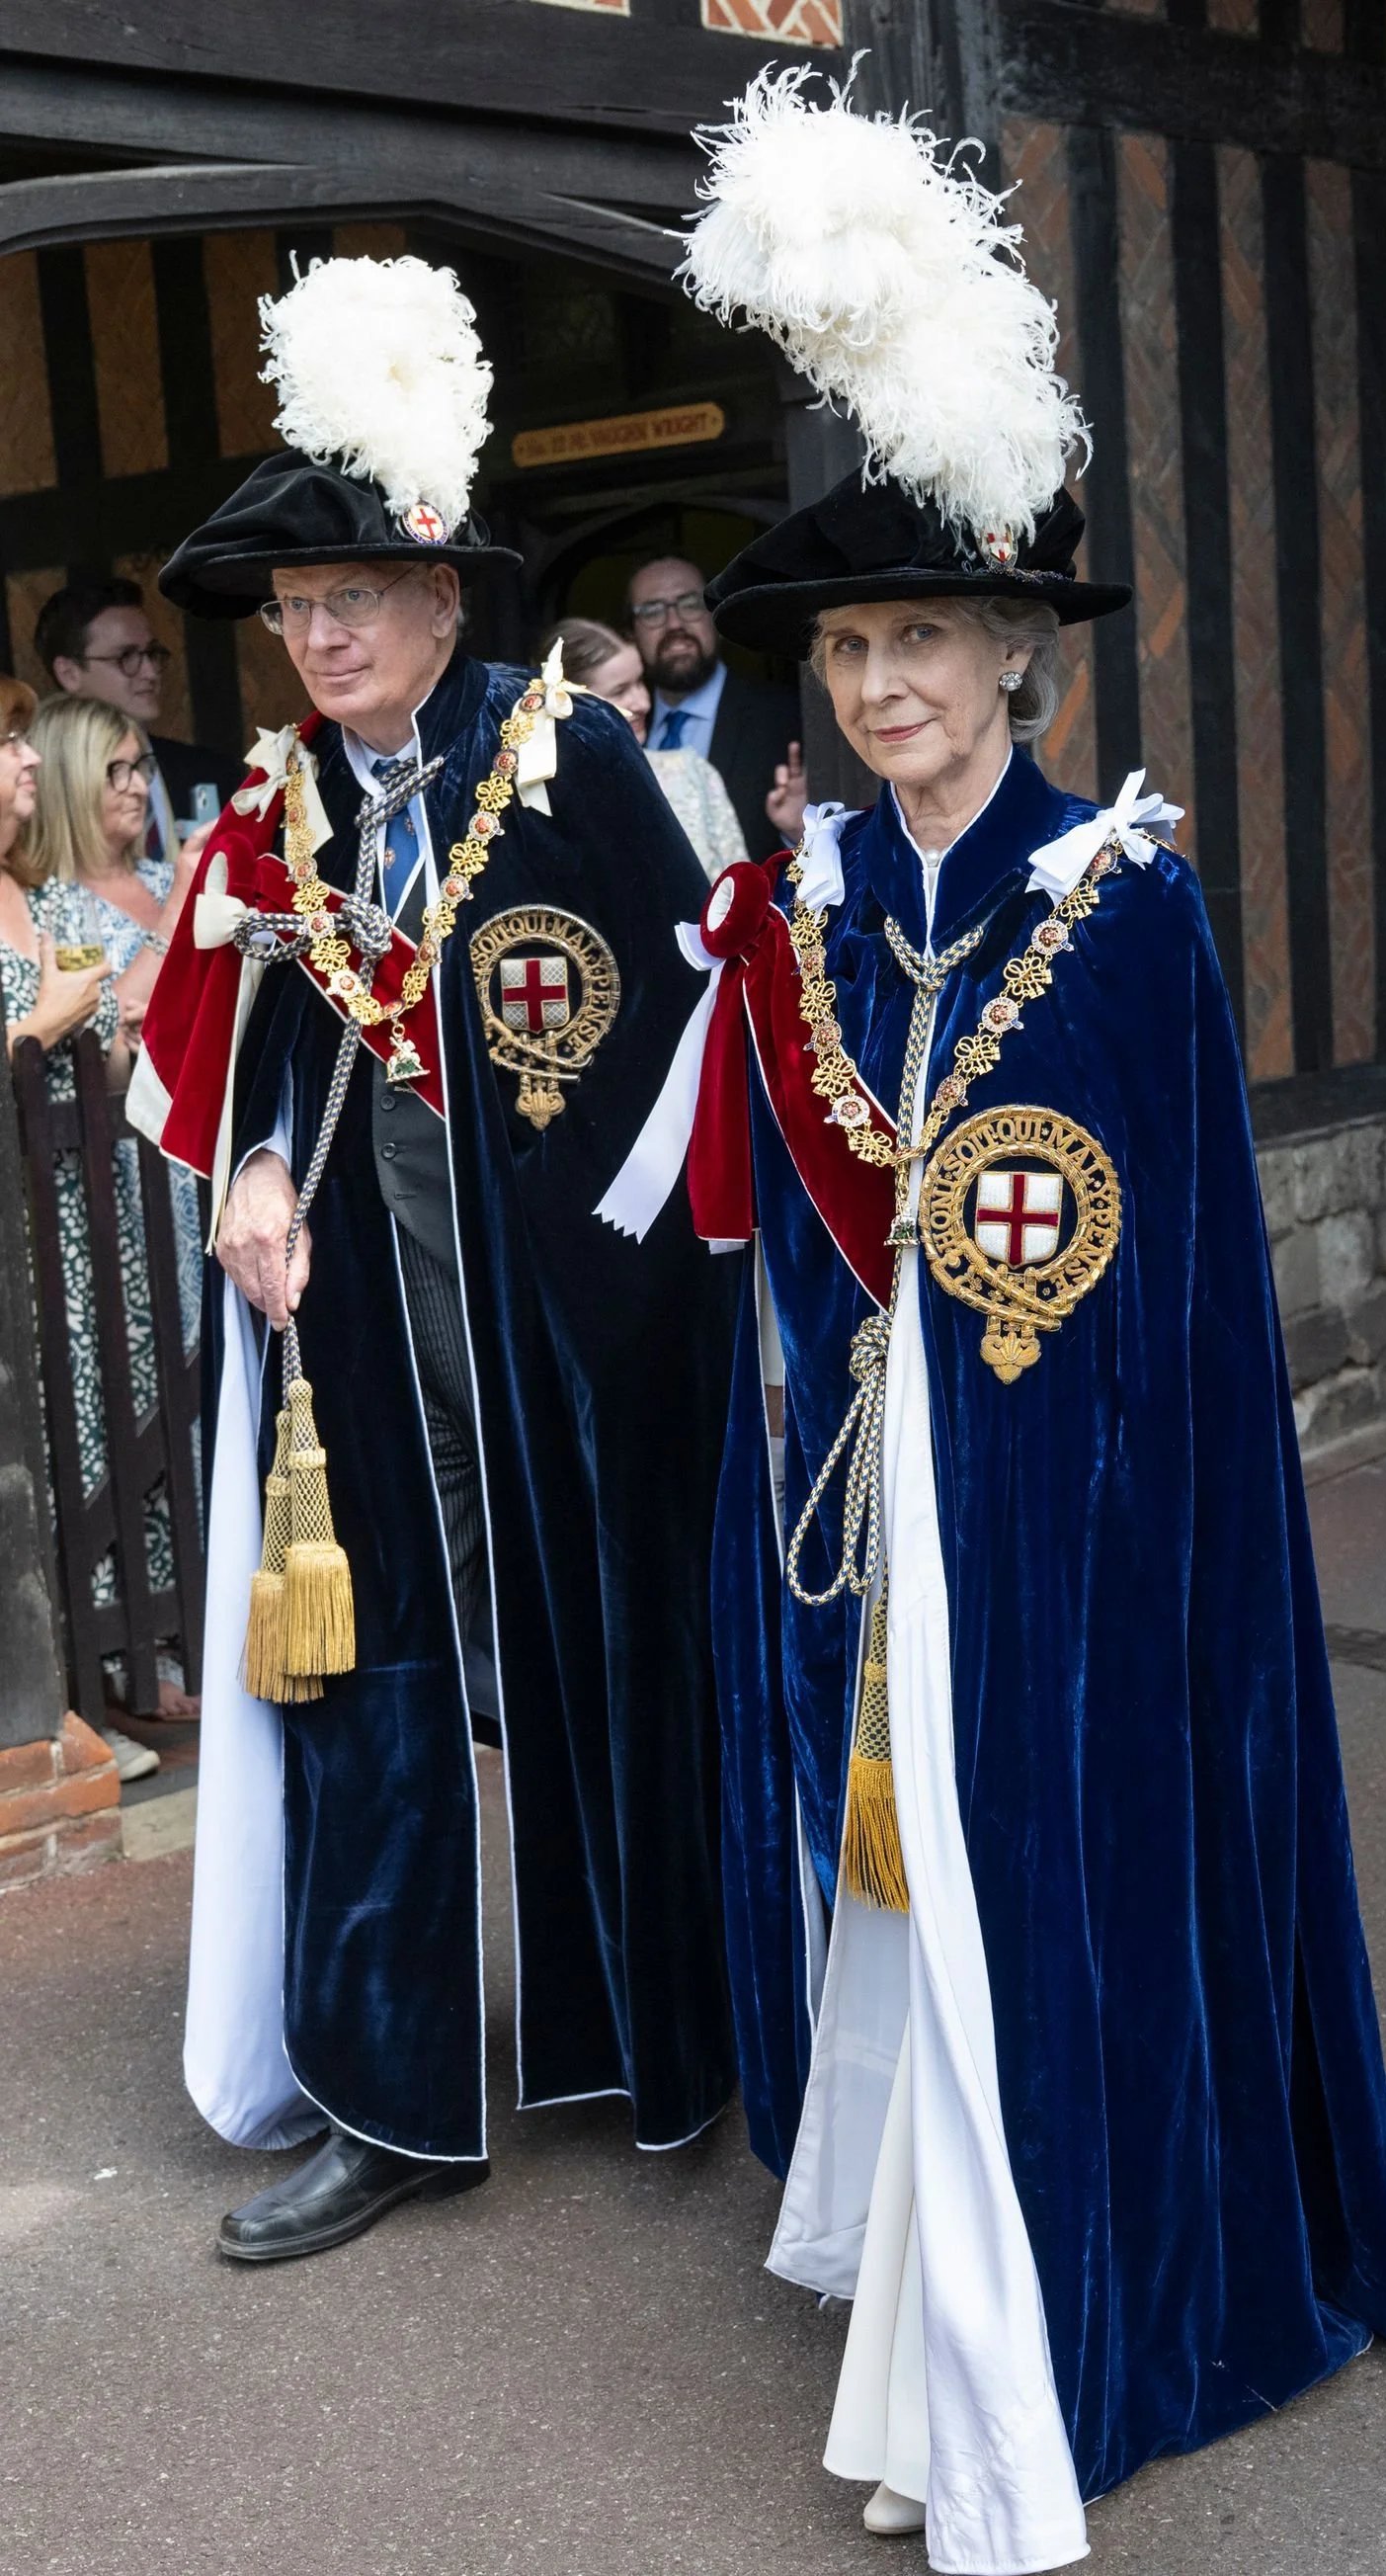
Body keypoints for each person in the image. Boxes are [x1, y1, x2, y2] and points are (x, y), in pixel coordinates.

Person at [604, 71, 1386, 2573]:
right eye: (853, 645)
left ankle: (1037, 2362)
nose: (884, 681)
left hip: (1066, 1533)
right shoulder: (808, 900)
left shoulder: (1112, 915)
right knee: (898, 1893)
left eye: (929, 638)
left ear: (1021, 655)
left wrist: (1016, 1471)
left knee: (1030, 1890)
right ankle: (933, 2293)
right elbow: (808, 1230)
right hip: (869, 1513)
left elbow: (1143, 1295)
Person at [130, 252, 737, 2264]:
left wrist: (645, 1293)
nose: (312, 634)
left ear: (440, 603)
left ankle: (668, 2030)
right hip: (365, 1309)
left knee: (613, 1644)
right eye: (294, 609)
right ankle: (388, 2093)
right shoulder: (294, 795)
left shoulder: (567, 763)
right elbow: (285, 1025)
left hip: (569, 1322)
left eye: (350, 600)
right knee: (366, 1668)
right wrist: (256, 1168)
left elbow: (689, 1031)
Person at [0, 677, 164, 1783]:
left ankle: (128, 1667)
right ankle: (55, 1703)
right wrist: (31, 1028)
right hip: (10, 1226)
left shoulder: (43, 900)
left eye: (21, 741)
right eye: (2, 744)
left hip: (88, 1213)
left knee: (113, 1419)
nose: (21, 761)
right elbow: (36, 1042)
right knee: (36, 1449)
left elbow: (102, 1069)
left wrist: (123, 1021)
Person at [36, 576, 245, 862]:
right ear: (69, 673)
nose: (150, 672)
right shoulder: (33, 790)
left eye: (152, 654)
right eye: (126, 657)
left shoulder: (214, 774)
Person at [628, 552, 801, 863]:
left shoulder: (784, 716)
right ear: (631, 633)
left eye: (690, 604)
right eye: (652, 611)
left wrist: (799, 831)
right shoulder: (621, 724)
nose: (674, 623)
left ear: (713, 615)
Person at [551, 616, 749, 880]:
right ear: (566, 705)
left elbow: (743, 894)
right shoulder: (541, 802)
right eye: (620, 691)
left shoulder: (693, 774)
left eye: (640, 682)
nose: (643, 702)